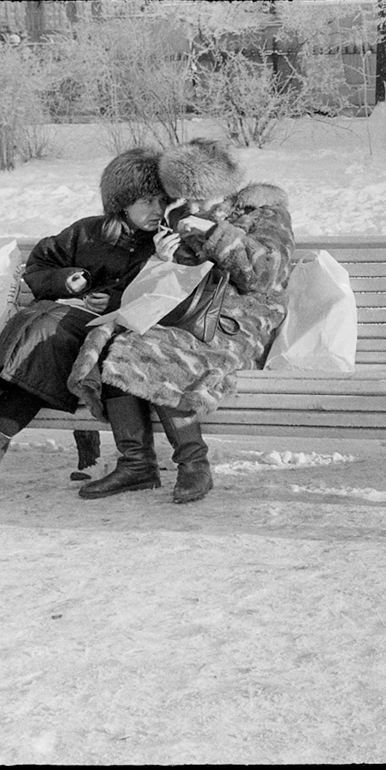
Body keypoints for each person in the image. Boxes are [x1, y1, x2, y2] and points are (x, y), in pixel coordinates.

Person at [70, 138, 295, 504]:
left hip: (238, 322)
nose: (191, 206)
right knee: (113, 341)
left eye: (199, 197)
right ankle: (136, 464)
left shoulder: (263, 212)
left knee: (159, 350)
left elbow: (266, 273)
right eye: (184, 197)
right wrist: (164, 257)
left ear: (223, 188)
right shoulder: (180, 216)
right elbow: (177, 277)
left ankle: (193, 464)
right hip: (183, 312)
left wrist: (212, 233)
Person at [0, 148, 168, 501]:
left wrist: (118, 297)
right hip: (63, 333)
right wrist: (67, 281)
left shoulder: (164, 243)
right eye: (147, 201)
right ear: (122, 202)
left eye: (162, 201)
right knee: (38, 331)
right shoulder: (87, 232)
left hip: (114, 336)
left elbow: (163, 295)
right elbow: (39, 266)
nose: (157, 210)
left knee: (44, 331)